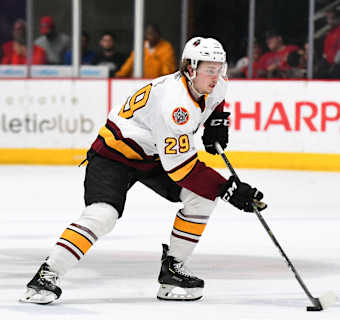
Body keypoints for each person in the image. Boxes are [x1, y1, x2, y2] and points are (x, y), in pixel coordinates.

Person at [20, 37, 266, 305]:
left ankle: (173, 271)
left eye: (220, 67)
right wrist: (227, 189)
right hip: (115, 154)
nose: (216, 75)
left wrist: (217, 120)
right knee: (103, 215)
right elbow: (182, 170)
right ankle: (46, 275)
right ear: (191, 69)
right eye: (210, 68)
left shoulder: (216, 84)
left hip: (153, 154)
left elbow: (216, 100)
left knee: (201, 198)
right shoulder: (176, 105)